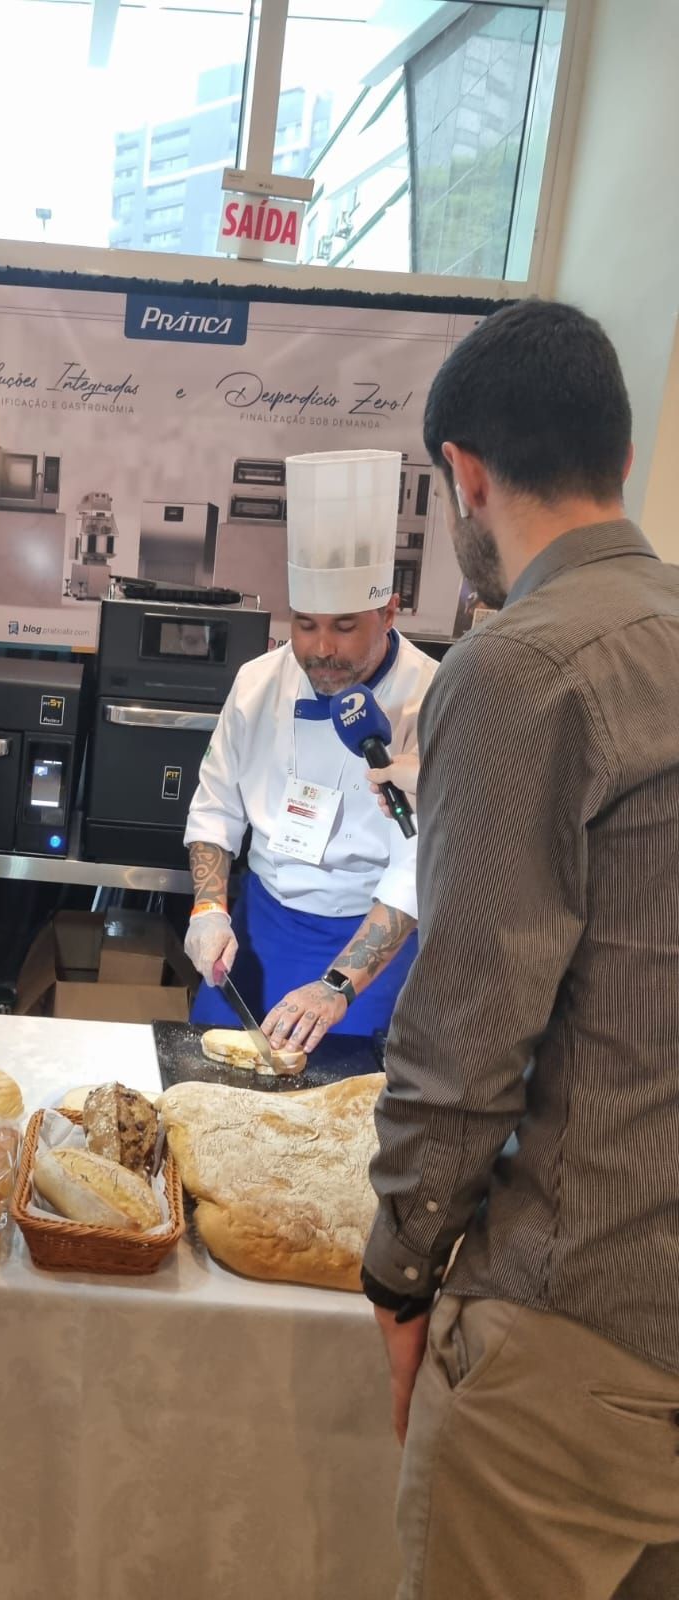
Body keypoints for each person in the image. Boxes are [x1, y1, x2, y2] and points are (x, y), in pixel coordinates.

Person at [360, 298, 679, 1599]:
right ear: (619, 459)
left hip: (575, 1331)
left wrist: (398, 1273)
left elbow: (465, 1031)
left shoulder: (518, 664)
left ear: (466, 477)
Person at [183, 452, 438, 1053]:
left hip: (377, 935)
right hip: (262, 925)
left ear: (389, 612)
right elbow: (216, 809)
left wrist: (336, 987)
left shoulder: (434, 698)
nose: (322, 649)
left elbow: (417, 866)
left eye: (346, 626)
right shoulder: (257, 683)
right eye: (305, 624)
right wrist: (208, 909)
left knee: (345, 1106)